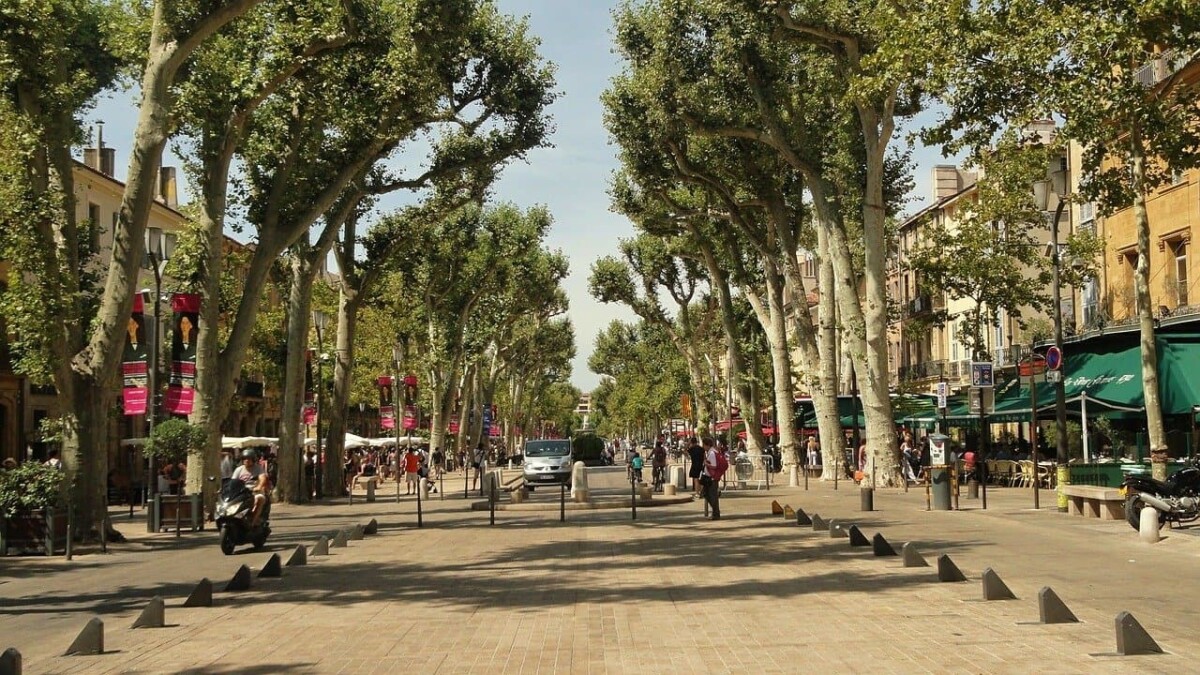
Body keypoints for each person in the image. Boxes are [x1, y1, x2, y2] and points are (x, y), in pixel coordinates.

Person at [231, 449, 269, 526]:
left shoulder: (258, 468)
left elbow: (263, 478)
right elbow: (233, 481)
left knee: (260, 498)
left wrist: (259, 486)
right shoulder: (239, 469)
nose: (247, 460)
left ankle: (253, 521)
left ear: (253, 459)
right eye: (245, 458)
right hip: (241, 492)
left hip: (254, 492)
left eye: (249, 458)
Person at [701, 436, 722, 520]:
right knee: (707, 494)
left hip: (711, 477)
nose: (703, 447)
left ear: (707, 445)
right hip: (709, 477)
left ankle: (716, 513)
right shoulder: (710, 452)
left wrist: (706, 464)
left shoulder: (712, 453)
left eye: (703, 445)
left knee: (711, 495)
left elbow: (714, 465)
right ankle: (715, 512)